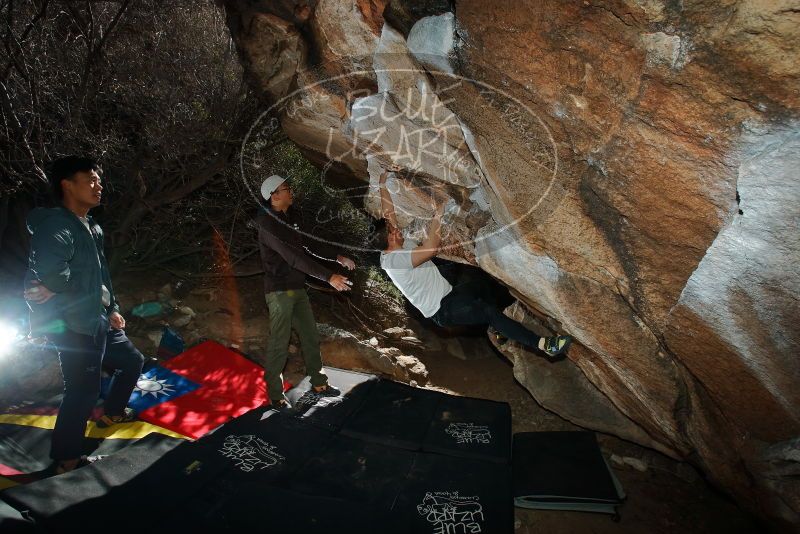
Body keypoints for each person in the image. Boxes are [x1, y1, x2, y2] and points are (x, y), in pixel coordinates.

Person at [23, 156, 145, 474]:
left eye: (98, 179)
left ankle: (113, 412)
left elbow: (102, 274)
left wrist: (113, 307)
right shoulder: (55, 225)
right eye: (90, 179)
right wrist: (58, 284)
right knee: (82, 390)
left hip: (98, 317)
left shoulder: (91, 227)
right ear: (67, 184)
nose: (98, 185)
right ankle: (67, 460)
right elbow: (49, 272)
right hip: (75, 323)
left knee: (132, 361)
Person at [378, 165, 572, 358]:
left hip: (449, 294)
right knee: (487, 311)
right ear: (390, 241)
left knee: (482, 286)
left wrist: (382, 184)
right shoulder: (396, 261)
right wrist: (439, 215)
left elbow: (389, 216)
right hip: (442, 310)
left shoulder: (394, 246)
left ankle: (500, 329)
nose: (397, 230)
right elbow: (431, 248)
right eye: (395, 232)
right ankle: (543, 344)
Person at [256, 174, 355, 410]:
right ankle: (275, 395)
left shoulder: (290, 218)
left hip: (297, 289)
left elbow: (308, 246)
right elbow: (292, 258)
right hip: (279, 292)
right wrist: (328, 276)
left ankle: (319, 383)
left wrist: (336, 257)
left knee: (310, 336)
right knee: (280, 342)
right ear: (274, 195)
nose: (291, 191)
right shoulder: (267, 224)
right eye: (286, 188)